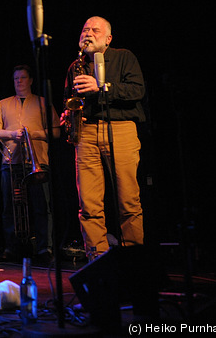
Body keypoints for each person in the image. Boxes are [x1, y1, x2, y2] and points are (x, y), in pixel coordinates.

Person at [61, 16, 146, 261]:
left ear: (108, 39)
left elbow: (137, 90)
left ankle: (134, 260)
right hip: (86, 133)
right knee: (88, 205)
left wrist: (102, 86)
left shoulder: (124, 57)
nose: (88, 33)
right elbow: (69, 99)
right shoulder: (75, 66)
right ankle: (98, 261)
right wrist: (68, 115)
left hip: (121, 128)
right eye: (84, 29)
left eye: (94, 30)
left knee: (128, 201)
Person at [0, 65, 59, 263]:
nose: (18, 81)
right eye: (15, 78)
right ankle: (12, 248)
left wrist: (31, 134)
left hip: (38, 162)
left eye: (22, 78)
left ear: (30, 80)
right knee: (10, 207)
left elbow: (56, 132)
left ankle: (45, 249)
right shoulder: (3, 104)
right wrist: (12, 134)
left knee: (41, 207)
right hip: (11, 162)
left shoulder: (43, 103)